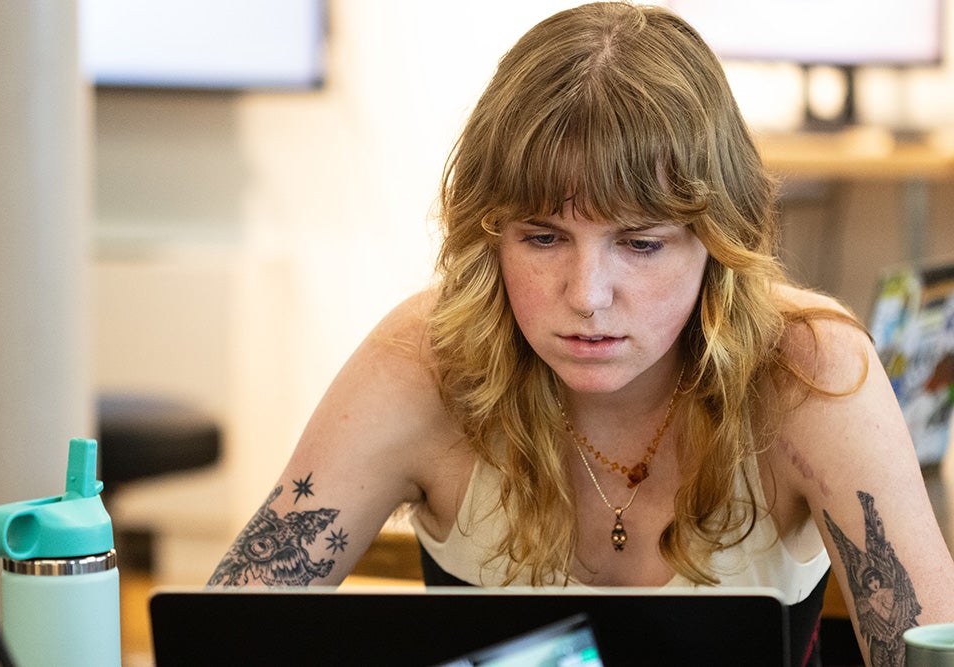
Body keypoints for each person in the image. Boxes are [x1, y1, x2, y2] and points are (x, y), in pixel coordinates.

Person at [209, 3, 954, 665]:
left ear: (717, 240)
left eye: (640, 243)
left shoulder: (809, 372)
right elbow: (225, 634)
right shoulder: (425, 361)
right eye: (542, 238)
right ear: (488, 235)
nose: (587, 296)